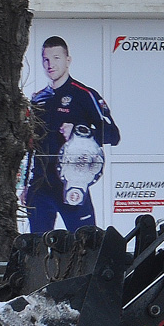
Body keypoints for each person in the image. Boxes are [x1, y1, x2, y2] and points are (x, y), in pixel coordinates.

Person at [25, 36, 120, 233]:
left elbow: (113, 134)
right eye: (46, 59)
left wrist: (78, 132)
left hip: (72, 183)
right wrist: (26, 185)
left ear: (68, 60)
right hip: (40, 186)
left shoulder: (84, 95)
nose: (50, 65)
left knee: (86, 246)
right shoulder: (38, 99)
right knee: (35, 249)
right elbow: (32, 147)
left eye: (56, 58)